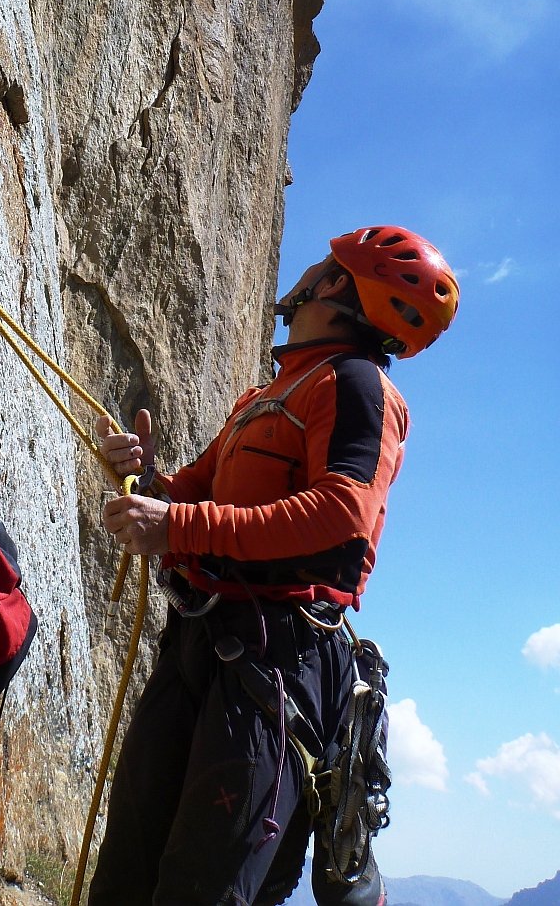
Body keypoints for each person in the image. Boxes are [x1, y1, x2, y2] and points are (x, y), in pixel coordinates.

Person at [88, 226, 460, 906]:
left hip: (276, 666)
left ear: (339, 287)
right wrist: (150, 480)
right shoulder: (268, 396)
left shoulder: (357, 386)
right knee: (124, 873)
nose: (306, 270)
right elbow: (194, 498)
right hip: (206, 648)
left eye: (326, 264)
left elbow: (341, 518)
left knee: (200, 891)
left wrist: (174, 522)